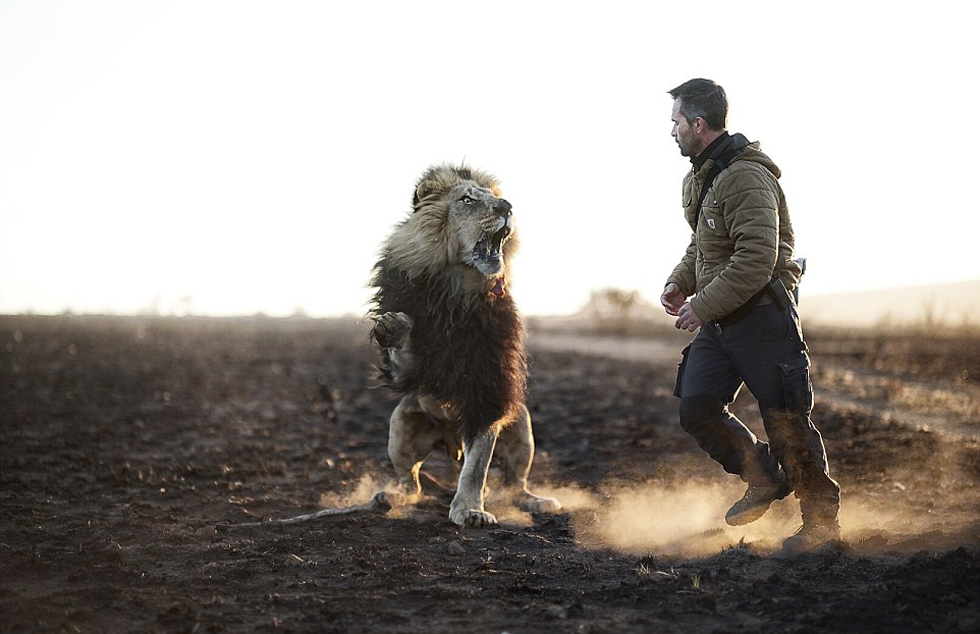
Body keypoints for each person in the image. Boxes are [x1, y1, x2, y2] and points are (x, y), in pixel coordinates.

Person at [660, 78, 841, 555]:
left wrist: (702, 305)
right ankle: (762, 477)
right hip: (722, 326)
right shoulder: (702, 176)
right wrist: (681, 280)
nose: (670, 131)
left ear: (698, 124)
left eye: (676, 121)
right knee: (697, 407)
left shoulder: (746, 176)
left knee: (787, 421)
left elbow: (756, 259)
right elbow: (705, 244)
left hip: (763, 320)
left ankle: (822, 525)